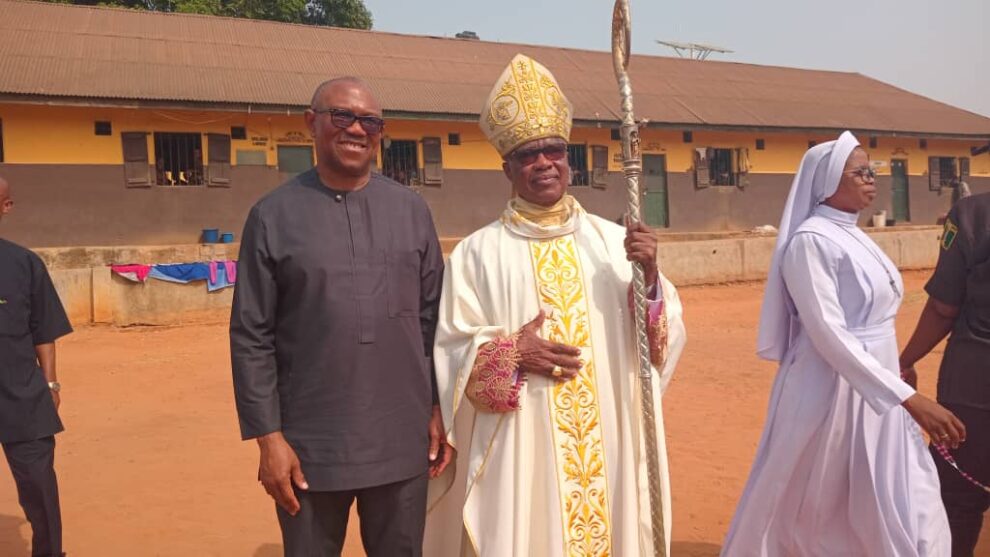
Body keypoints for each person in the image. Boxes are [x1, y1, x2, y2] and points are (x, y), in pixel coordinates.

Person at [423, 54, 687, 556]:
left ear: (569, 160)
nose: (543, 162)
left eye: (553, 150)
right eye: (527, 154)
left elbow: (656, 346)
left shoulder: (615, 245)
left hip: (610, 435)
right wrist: (509, 353)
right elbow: (452, 351)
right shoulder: (477, 253)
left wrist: (649, 281)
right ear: (507, 168)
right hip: (523, 444)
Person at [230, 77, 449, 557]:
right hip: (310, 446)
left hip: (400, 439)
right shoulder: (272, 216)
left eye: (369, 120)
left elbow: (435, 320)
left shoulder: (412, 211)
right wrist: (269, 440)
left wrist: (438, 408)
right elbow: (251, 335)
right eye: (342, 116)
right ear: (313, 123)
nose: (356, 129)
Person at [721, 132, 962, 556]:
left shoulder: (851, 233)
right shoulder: (811, 242)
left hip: (877, 387)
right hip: (831, 394)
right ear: (828, 182)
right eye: (861, 172)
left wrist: (896, 371)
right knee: (821, 505)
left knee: (902, 492)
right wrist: (908, 397)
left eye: (873, 171)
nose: (872, 179)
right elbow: (830, 335)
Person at [900, 191, 990, 556]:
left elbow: (943, 307)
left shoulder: (974, 213)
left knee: (958, 500)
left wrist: (904, 361)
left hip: (975, 385)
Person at [0, 175, 72, 557]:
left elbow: (44, 330)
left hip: (22, 396)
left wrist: (52, 385)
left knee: (39, 489)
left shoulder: (25, 264)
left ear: (5, 206)